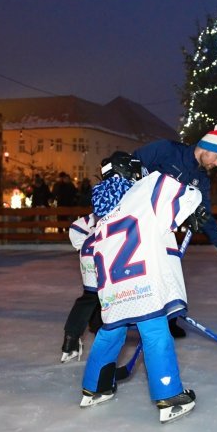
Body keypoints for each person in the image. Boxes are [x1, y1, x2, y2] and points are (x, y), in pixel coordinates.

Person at [78, 151, 208, 423]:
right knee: (156, 333)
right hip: (143, 284)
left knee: (109, 333)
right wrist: (192, 210)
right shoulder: (145, 190)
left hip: (112, 288)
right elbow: (188, 193)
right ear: (130, 171)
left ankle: (94, 388)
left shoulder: (102, 214)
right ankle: (169, 397)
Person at [133, 124, 217, 338]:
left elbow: (205, 214)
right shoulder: (167, 149)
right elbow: (132, 163)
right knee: (126, 272)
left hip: (163, 230)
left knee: (170, 273)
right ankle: (103, 316)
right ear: (204, 149)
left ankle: (169, 320)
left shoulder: (201, 179)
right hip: (137, 221)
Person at [60, 153, 144, 364]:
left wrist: (84, 247)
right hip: (109, 252)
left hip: (90, 251)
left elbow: (77, 227)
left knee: (91, 297)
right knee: (120, 295)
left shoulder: (101, 193)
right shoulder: (127, 192)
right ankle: (114, 335)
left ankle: (71, 340)